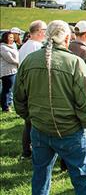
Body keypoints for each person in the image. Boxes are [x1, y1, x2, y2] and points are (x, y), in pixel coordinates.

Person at [13, 20, 86, 195]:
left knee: (40, 174)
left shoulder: (30, 60)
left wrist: (32, 118)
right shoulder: (74, 62)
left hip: (40, 129)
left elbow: (18, 99)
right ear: (67, 38)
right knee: (82, 177)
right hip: (69, 131)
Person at [18, 20, 47, 159]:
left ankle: (26, 150)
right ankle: (31, 150)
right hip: (34, 87)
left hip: (25, 85)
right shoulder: (37, 46)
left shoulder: (24, 46)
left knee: (29, 121)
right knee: (34, 122)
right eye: (45, 30)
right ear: (40, 31)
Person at [1, 31, 19, 112]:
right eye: (10, 37)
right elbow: (10, 59)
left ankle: (8, 104)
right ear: (5, 38)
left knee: (9, 89)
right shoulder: (3, 47)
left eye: (12, 37)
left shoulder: (11, 46)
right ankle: (5, 107)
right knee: (7, 89)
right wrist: (19, 62)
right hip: (7, 71)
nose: (12, 39)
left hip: (13, 70)